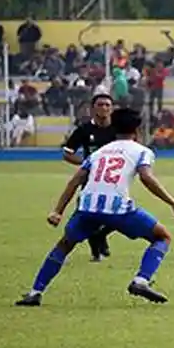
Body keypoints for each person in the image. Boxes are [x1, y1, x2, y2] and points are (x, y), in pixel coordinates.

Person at [15, 108, 174, 307]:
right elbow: (147, 177)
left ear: (114, 128)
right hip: (117, 209)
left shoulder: (100, 152)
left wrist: (58, 211)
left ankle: (35, 292)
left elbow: (75, 180)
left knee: (64, 245)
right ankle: (141, 280)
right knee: (162, 236)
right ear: (138, 131)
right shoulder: (142, 151)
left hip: (87, 207)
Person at [62, 94, 119, 262]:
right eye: (100, 105)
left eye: (108, 105)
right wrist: (87, 163)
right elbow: (67, 154)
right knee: (85, 215)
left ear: (112, 108)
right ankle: (93, 252)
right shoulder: (84, 130)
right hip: (90, 180)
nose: (104, 108)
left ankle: (100, 236)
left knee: (119, 213)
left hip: (114, 179)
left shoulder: (117, 131)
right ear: (93, 108)